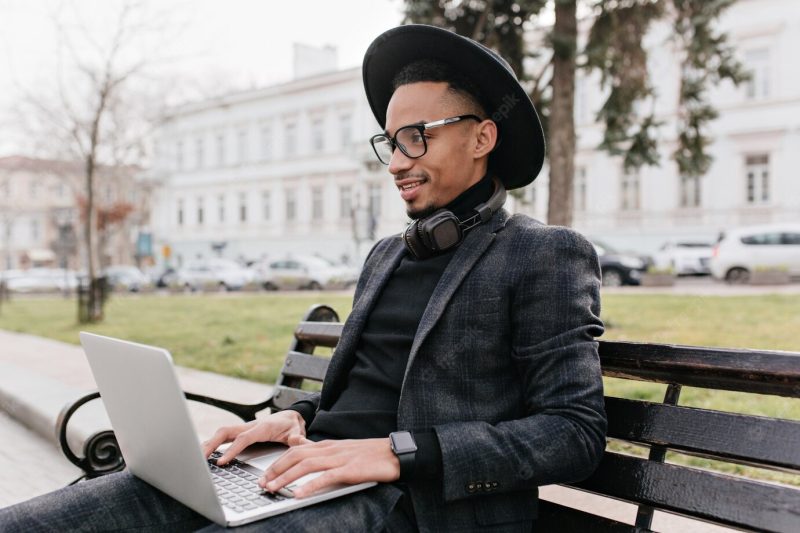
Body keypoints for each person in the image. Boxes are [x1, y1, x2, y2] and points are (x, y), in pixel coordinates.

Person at [0, 25, 605, 532]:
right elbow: (367, 390)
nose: (396, 162)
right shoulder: (386, 256)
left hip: (410, 505)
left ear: (482, 137)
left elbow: (574, 433)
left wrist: (396, 453)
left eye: (417, 137)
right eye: (389, 143)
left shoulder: (544, 255)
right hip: (303, 469)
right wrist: (298, 419)